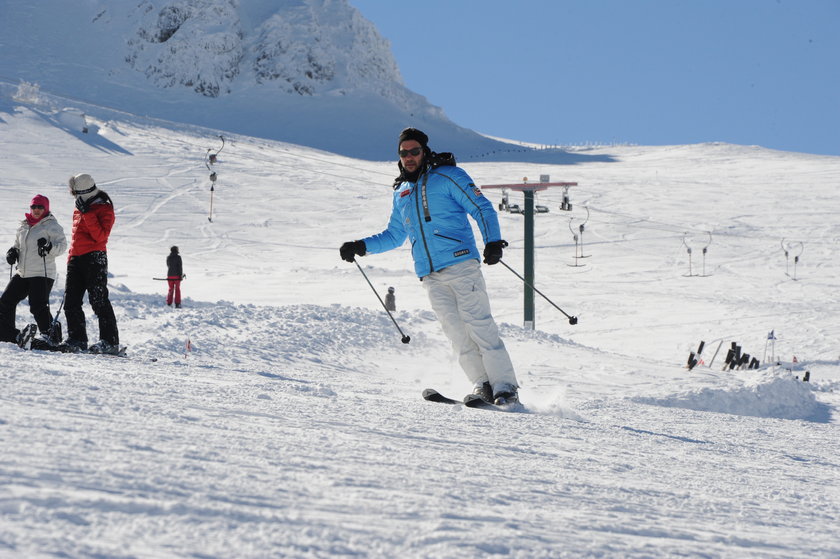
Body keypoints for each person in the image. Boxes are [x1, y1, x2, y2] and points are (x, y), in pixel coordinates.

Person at [340, 128, 519, 405]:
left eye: (414, 151)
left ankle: (505, 388)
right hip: (430, 275)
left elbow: (481, 207)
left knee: (479, 325)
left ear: (425, 151)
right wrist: (360, 246)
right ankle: (483, 385)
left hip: (461, 263)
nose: (409, 157)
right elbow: (395, 235)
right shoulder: (402, 191)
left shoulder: (449, 176)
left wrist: (493, 241)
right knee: (456, 333)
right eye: (404, 153)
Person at [59, 173, 120, 354]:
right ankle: (77, 339)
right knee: (71, 301)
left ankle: (110, 342)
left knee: (98, 300)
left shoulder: (104, 208)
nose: (75, 197)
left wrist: (88, 214)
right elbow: (76, 237)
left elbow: (100, 237)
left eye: (76, 193)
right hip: (76, 259)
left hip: (95, 257)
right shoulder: (79, 208)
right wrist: (71, 258)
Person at [0, 194, 67, 348]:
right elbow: (17, 245)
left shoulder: (51, 225)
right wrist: (13, 252)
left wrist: (49, 247)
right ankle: (10, 335)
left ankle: (52, 336)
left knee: (37, 305)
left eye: (40, 207)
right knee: (5, 302)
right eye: (34, 207)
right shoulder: (24, 226)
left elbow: (62, 246)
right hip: (23, 272)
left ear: (46, 208)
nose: (36, 210)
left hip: (42, 272)